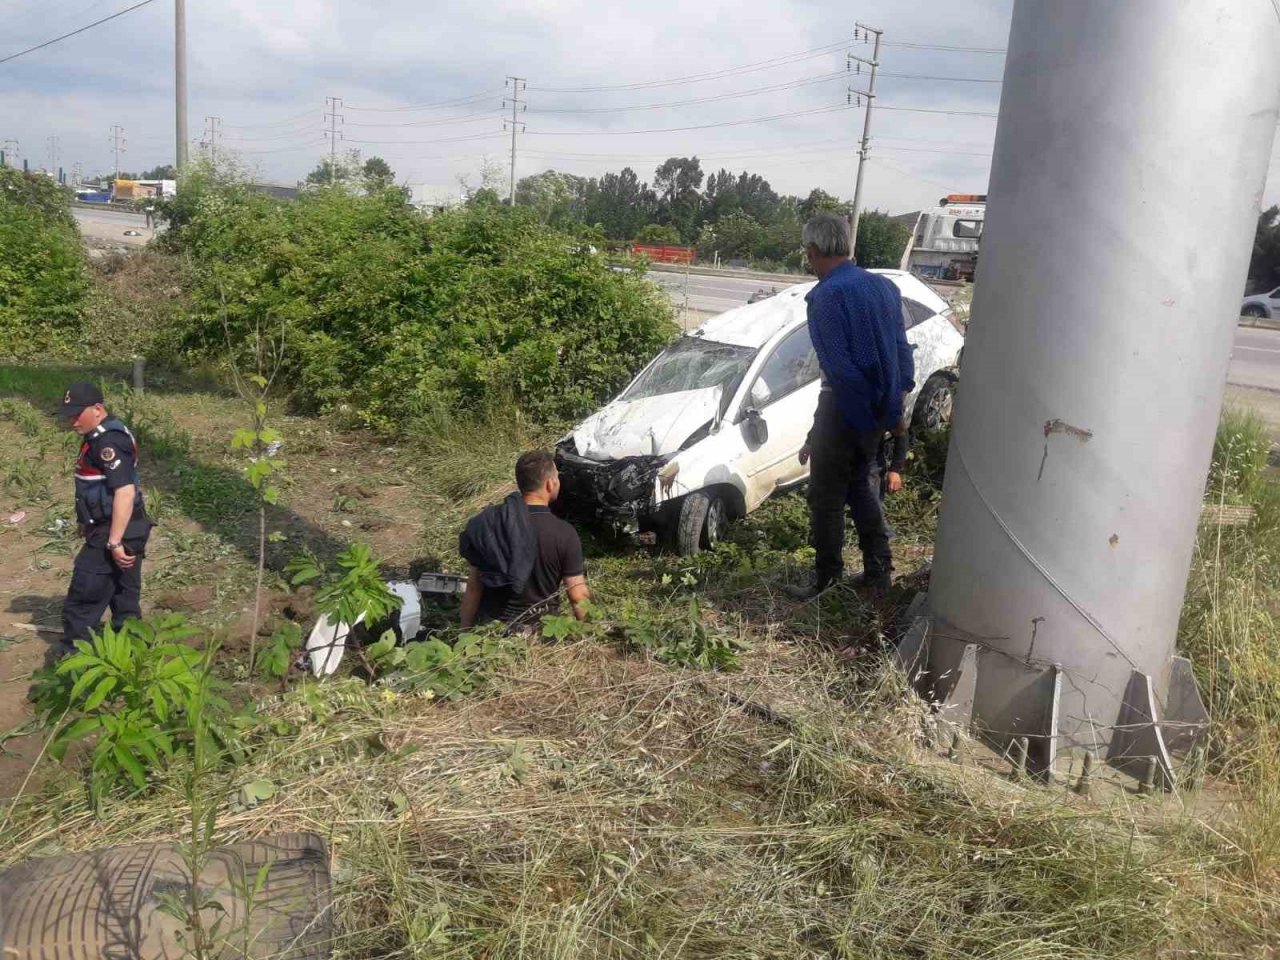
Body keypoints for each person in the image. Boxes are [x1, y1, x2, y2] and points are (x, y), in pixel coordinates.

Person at [787, 214, 915, 599]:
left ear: (812, 251)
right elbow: (901, 350)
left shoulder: (825, 297)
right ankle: (879, 573)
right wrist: (891, 409)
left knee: (826, 497)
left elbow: (842, 370)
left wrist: (860, 418)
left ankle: (827, 580)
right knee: (862, 487)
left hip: (845, 408)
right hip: (878, 407)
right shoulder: (883, 287)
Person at [59, 383, 154, 656]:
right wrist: (85, 521)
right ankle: (134, 658)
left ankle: (75, 675)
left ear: (98, 409)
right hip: (120, 527)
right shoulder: (98, 436)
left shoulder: (108, 441)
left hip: (114, 531)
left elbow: (124, 492)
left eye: (77, 414)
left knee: (82, 605)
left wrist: (113, 543)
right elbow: (97, 487)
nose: (72, 420)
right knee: (124, 597)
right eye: (69, 414)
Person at [458, 451, 591, 630]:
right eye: (557, 478)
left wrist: (464, 632)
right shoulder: (564, 533)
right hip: (542, 633)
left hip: (492, 632)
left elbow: (474, 587)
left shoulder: (489, 524)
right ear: (550, 484)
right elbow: (577, 594)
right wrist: (592, 634)